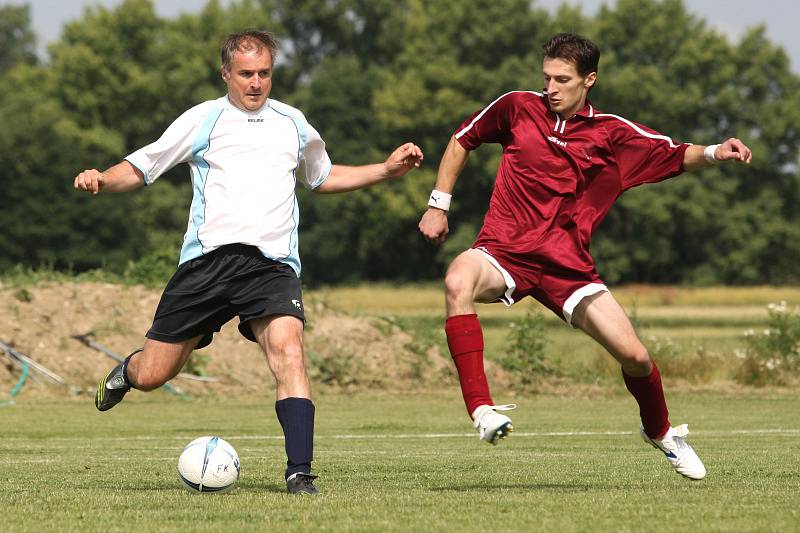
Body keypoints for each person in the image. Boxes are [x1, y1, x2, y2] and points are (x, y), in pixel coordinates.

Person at [74, 30, 423, 495]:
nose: (256, 83)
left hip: (271, 267)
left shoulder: (293, 123)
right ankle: (126, 372)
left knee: (290, 352)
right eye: (246, 74)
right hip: (208, 264)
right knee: (155, 374)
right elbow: (144, 166)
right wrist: (102, 178)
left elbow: (321, 176)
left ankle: (300, 472)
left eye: (264, 73)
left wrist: (385, 170)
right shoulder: (204, 119)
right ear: (226, 74)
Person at [418, 33, 751, 480]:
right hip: (504, 252)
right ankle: (481, 410)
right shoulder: (517, 107)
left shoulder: (612, 134)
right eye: (546, 78)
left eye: (563, 79)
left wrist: (716, 152)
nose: (550, 88)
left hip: (568, 268)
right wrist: (439, 204)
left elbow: (674, 155)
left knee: (635, 357)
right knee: (458, 279)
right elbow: (462, 140)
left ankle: (661, 431)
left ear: (588, 80)